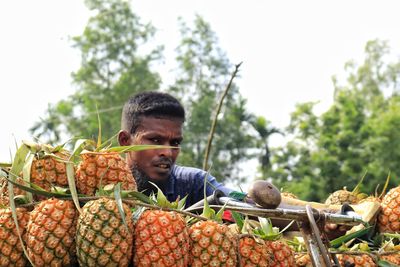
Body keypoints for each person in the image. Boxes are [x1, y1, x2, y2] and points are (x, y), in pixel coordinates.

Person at [118, 91, 233, 207]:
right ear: (125, 141)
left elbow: (233, 200)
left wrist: (250, 196)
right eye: (155, 140)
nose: (168, 152)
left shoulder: (194, 184)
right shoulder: (102, 185)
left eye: (175, 142)